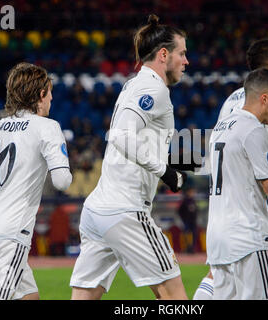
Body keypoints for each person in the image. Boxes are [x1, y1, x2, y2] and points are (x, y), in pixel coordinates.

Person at [70, 14, 190, 300]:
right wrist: (166, 171)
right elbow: (121, 136)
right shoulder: (153, 88)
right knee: (175, 298)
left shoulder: (134, 85)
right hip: (125, 211)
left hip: (99, 210)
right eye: (182, 53)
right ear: (164, 55)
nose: (186, 61)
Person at [0, 62, 72, 300]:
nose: (51, 100)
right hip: (9, 237)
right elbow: (62, 182)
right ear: (40, 94)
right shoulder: (47, 127)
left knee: (29, 297)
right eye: (49, 94)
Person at [194, 39, 268, 300]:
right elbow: (266, 181)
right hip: (250, 214)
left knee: (220, 276)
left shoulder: (232, 100)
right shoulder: (265, 106)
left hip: (220, 214)